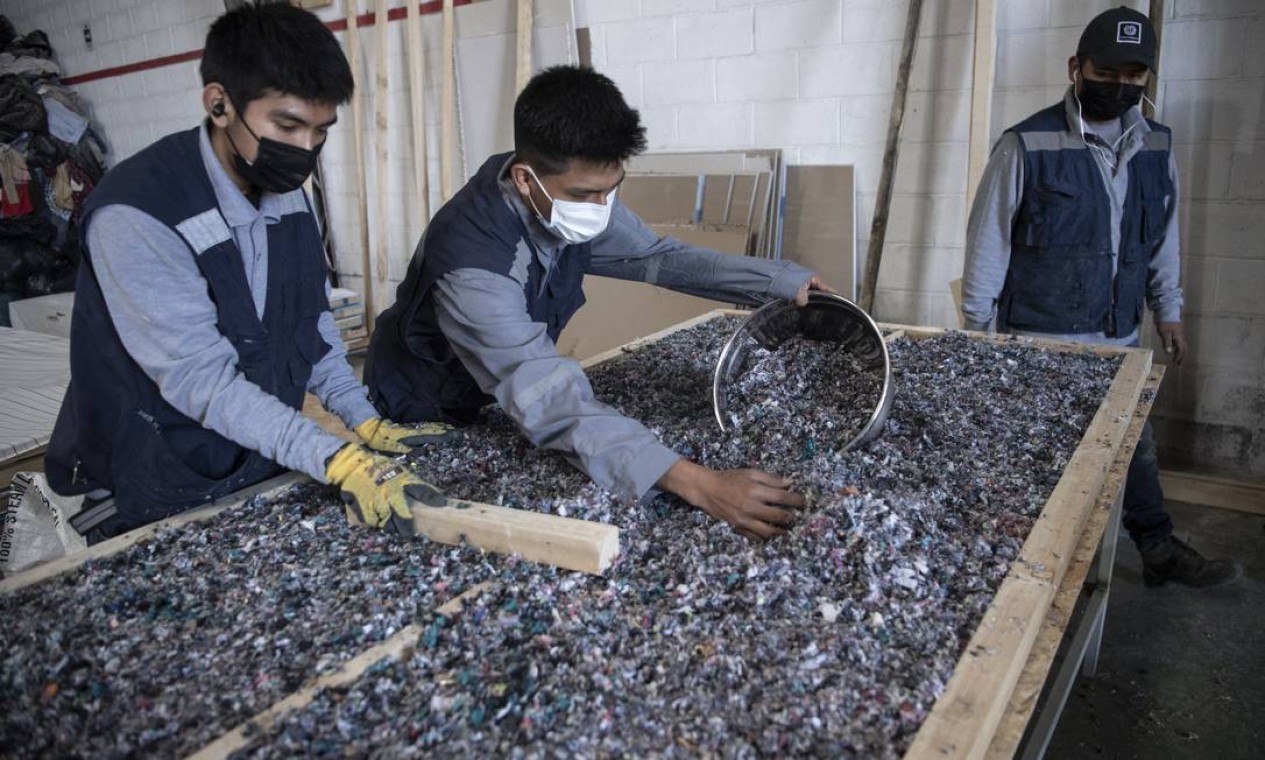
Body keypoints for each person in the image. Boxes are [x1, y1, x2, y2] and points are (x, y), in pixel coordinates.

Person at [366, 65, 833, 541]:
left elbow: (658, 258)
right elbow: (542, 393)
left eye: (611, 189)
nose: (600, 207)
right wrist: (698, 482)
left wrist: (779, 281)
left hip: (497, 395)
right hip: (422, 405)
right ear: (525, 179)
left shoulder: (562, 195)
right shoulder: (472, 264)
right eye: (586, 194)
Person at [45, 3, 447, 543]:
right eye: (288, 125)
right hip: (157, 473)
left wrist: (361, 416)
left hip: (252, 450)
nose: (306, 150)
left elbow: (311, 325)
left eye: (321, 131)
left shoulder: (288, 196)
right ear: (219, 104)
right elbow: (200, 380)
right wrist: (337, 459)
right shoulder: (138, 214)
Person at [961, 6, 1240, 587]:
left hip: (1118, 333)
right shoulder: (1027, 144)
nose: (1119, 86)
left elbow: (1163, 236)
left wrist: (1170, 312)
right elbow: (987, 243)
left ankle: (1157, 550)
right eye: (1107, 72)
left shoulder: (1157, 146)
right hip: (1040, 341)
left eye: (1133, 76)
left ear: (1146, 79)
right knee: (1038, 459)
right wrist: (976, 337)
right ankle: (1024, 566)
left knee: (1133, 444)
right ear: (1076, 67)